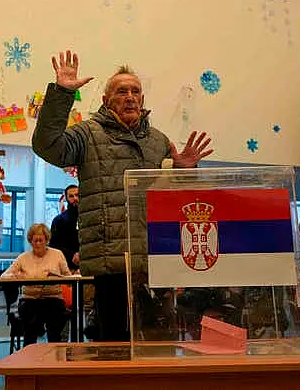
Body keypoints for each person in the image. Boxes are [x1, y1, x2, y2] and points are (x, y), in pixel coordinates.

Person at [32, 50, 213, 341]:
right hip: (110, 262)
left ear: (142, 99)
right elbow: (47, 145)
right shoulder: (87, 134)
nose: (130, 96)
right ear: (106, 101)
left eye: (135, 91)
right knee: (113, 345)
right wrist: (61, 95)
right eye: (121, 91)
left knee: (158, 343)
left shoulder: (158, 141)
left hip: (155, 262)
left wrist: (182, 171)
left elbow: (173, 197)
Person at [1, 223, 71, 346]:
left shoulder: (57, 254)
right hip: (30, 301)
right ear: (30, 241)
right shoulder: (23, 257)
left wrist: (59, 277)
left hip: (53, 299)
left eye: (41, 240)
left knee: (54, 322)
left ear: (47, 240)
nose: (38, 244)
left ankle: (55, 357)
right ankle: (29, 356)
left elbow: (68, 278)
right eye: (34, 241)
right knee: (30, 322)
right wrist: (15, 276)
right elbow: (4, 276)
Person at [50, 184, 80, 272]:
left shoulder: (90, 217)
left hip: (89, 264)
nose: (75, 198)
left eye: (77, 195)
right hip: (67, 267)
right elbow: (54, 246)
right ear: (66, 199)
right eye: (71, 196)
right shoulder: (58, 220)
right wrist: (72, 255)